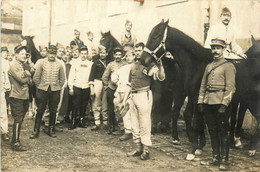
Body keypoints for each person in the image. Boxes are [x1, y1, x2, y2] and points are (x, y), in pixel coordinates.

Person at [121, 42, 165, 160]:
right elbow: (130, 85)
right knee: (134, 123)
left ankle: (146, 150)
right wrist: (124, 100)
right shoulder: (133, 66)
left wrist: (160, 67)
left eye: (140, 50)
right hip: (133, 96)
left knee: (144, 122)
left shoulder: (149, 64)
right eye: (136, 51)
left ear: (144, 51)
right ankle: (138, 148)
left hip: (143, 95)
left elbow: (160, 77)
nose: (138, 53)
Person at [198, 38, 236, 170]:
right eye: (213, 48)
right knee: (212, 131)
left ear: (223, 50)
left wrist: (224, 104)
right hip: (208, 102)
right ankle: (215, 157)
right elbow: (203, 85)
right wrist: (200, 101)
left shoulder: (228, 66)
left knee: (223, 131)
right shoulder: (208, 66)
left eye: (218, 48)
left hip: (220, 103)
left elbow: (231, 87)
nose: (215, 51)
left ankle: (224, 159)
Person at [30, 45, 65, 139]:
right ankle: (36, 130)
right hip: (43, 90)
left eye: (54, 53)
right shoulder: (41, 62)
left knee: (53, 110)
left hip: (55, 90)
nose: (52, 56)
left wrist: (57, 87)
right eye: (50, 53)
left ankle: (51, 129)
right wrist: (40, 87)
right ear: (47, 53)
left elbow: (62, 79)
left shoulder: (60, 64)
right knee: (40, 110)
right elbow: (36, 78)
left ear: (56, 54)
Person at [8, 44, 33, 151]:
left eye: (25, 54)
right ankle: (16, 143)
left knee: (20, 119)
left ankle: (15, 139)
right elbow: (22, 80)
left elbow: (31, 82)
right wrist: (28, 75)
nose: (24, 56)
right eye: (22, 54)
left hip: (24, 96)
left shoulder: (24, 66)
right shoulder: (14, 66)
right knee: (18, 119)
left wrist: (27, 75)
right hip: (16, 96)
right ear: (16, 55)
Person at [111, 48, 136, 141]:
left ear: (134, 57)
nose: (128, 58)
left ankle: (129, 131)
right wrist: (117, 82)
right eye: (127, 56)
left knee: (127, 110)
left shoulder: (135, 67)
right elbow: (114, 75)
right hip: (120, 90)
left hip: (129, 91)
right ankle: (122, 127)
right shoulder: (124, 67)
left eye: (130, 56)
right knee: (118, 107)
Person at [102, 47, 127, 134]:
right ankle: (111, 126)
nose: (118, 56)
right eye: (116, 55)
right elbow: (105, 77)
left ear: (122, 55)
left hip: (122, 89)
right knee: (111, 107)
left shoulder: (125, 64)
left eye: (119, 55)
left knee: (121, 107)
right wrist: (107, 87)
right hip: (112, 89)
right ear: (113, 55)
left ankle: (123, 127)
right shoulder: (110, 65)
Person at [68, 45, 93, 129]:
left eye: (85, 54)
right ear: (79, 54)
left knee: (84, 104)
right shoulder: (75, 63)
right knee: (76, 104)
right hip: (77, 86)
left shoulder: (90, 64)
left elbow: (91, 76)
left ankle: (81, 121)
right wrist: (71, 87)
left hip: (86, 86)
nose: (83, 55)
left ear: (87, 54)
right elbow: (71, 75)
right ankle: (73, 121)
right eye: (82, 53)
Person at [89, 45, 110, 131]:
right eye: (101, 53)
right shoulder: (96, 62)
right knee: (96, 101)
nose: (102, 54)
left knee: (105, 101)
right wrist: (92, 88)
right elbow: (91, 76)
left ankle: (105, 122)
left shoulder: (109, 63)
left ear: (107, 53)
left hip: (107, 83)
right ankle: (97, 121)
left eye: (104, 53)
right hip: (97, 81)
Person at [1, 51, 11, 141]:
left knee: (2, 112)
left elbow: (6, 75)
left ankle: (4, 132)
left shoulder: (3, 62)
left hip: (0, 90)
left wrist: (6, 87)